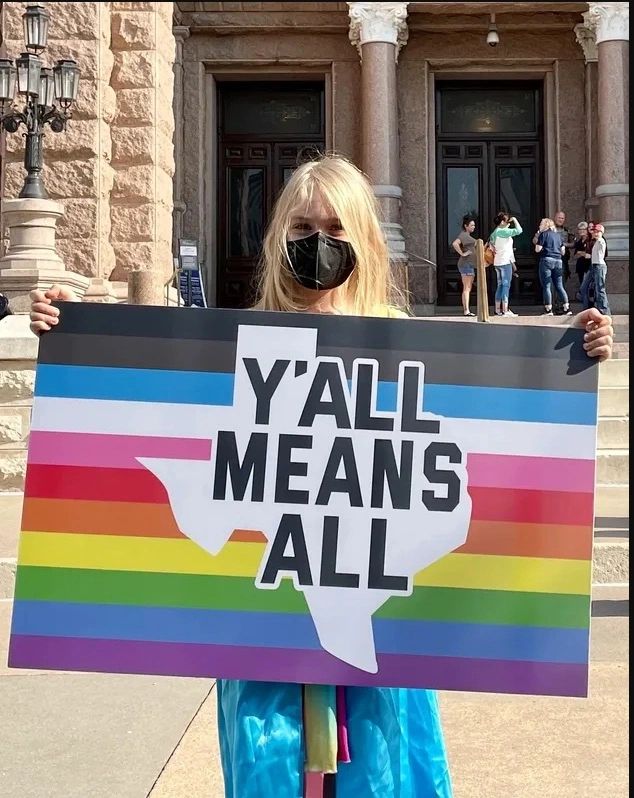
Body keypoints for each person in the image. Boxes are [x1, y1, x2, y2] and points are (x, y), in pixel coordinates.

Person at [30, 154, 615, 798]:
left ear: (363, 239)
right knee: (270, 776)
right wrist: (72, 332)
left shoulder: (408, 351)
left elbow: (483, 448)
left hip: (382, 631)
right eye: (304, 229)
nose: (320, 244)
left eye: (337, 229)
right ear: (280, 238)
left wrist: (576, 351)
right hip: (261, 631)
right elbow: (146, 425)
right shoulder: (235, 347)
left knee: (385, 779)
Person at [535, 217, 572, 316]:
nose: (539, 225)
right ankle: (566, 308)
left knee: (547, 286)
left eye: (541, 224)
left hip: (547, 260)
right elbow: (563, 252)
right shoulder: (558, 236)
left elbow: (537, 249)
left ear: (545, 225)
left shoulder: (543, 234)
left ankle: (548, 309)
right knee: (559, 285)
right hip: (558, 261)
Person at [489, 211, 522, 316]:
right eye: (507, 220)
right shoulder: (503, 232)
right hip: (504, 262)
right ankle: (505, 310)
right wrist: (515, 220)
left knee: (500, 285)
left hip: (497, 262)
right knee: (506, 285)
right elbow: (519, 230)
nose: (509, 222)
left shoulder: (494, 233)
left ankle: (498, 309)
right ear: (502, 221)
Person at [581, 222, 611, 315]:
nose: (595, 233)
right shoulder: (595, 241)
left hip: (599, 266)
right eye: (594, 231)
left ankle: (604, 311)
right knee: (584, 288)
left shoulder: (601, 241)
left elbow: (602, 248)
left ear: (601, 232)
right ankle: (588, 309)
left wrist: (598, 237)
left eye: (597, 232)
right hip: (593, 266)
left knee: (600, 289)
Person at [451, 214, 477, 316]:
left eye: (474, 225)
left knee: (468, 287)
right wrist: (462, 253)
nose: (473, 227)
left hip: (469, 264)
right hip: (466, 264)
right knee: (467, 288)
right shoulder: (463, 235)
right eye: (471, 225)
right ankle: (466, 310)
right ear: (466, 226)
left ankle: (466, 310)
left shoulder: (467, 236)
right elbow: (455, 243)